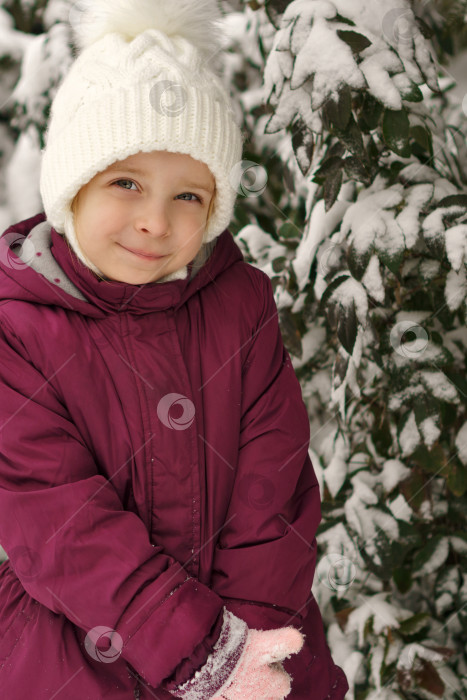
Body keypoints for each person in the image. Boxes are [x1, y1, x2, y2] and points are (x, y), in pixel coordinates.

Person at [0, 1, 349, 698]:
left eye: (188, 194)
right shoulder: (18, 326)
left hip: (257, 642)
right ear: (71, 186)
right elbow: (60, 521)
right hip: (70, 655)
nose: (155, 221)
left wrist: (249, 650)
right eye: (125, 182)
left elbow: (272, 491)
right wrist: (202, 655)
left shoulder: (239, 306)